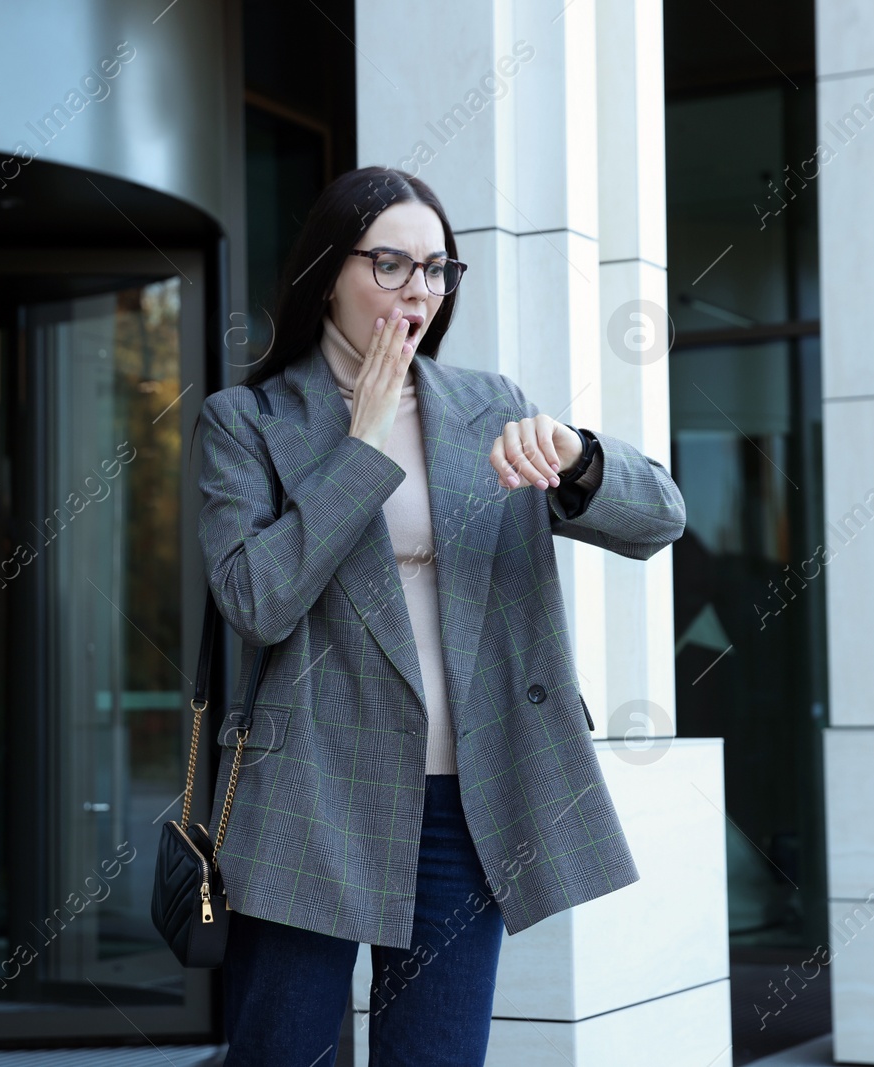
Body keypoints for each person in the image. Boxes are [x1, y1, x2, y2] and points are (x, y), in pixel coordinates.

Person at [196, 165, 686, 1066]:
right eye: (390, 263)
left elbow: (662, 518)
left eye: (436, 269)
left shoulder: (486, 405)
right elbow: (254, 600)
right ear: (328, 272)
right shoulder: (250, 420)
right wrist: (364, 441)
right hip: (312, 795)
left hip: (467, 802)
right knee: (281, 1053)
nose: (417, 289)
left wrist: (577, 462)